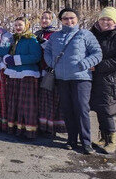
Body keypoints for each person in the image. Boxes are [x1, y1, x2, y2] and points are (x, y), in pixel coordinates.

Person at [44, 8, 102, 154]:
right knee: (67, 110)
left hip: (81, 79)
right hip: (62, 79)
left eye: (72, 18)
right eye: (65, 18)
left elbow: (97, 53)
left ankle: (86, 142)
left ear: (77, 19)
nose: (69, 21)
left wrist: (84, 64)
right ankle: (71, 140)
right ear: (61, 20)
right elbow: (47, 51)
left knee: (82, 110)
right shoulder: (55, 37)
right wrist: (52, 64)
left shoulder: (85, 34)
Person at [90, 7, 116, 154]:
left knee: (107, 109)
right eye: (103, 19)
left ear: (115, 21)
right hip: (96, 77)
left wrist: (98, 66)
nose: (105, 22)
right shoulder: (93, 34)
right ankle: (103, 138)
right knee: (99, 108)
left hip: (112, 79)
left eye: (109, 19)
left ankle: (112, 140)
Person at [0, 17, 41, 138]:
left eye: (20, 25)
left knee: (26, 103)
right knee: (15, 101)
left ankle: (29, 131)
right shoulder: (13, 39)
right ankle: (16, 128)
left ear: (27, 25)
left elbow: (36, 56)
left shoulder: (31, 39)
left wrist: (16, 59)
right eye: (16, 25)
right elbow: (5, 50)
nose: (18, 27)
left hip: (27, 74)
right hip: (13, 74)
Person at [35, 11, 66, 136]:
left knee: (50, 99)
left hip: (50, 71)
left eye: (47, 18)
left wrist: (44, 43)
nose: (44, 20)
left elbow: (57, 51)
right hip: (38, 69)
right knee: (41, 100)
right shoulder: (37, 33)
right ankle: (41, 125)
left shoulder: (55, 34)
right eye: (42, 18)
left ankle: (51, 128)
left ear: (52, 20)